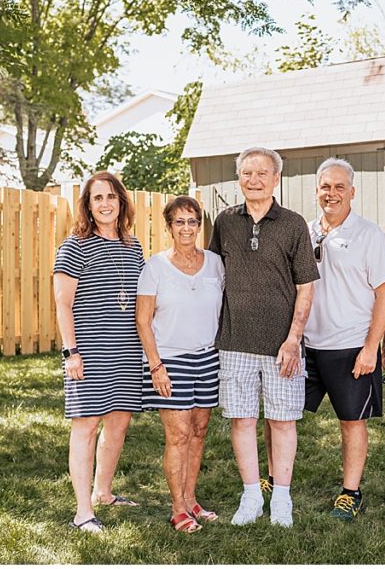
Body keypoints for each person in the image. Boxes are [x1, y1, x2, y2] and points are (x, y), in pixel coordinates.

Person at [208, 146, 319, 528]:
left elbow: (306, 287)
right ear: (239, 178)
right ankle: (252, 495)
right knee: (241, 420)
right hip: (235, 341)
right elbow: (213, 277)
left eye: (262, 173)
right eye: (246, 173)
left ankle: (282, 499)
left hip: (281, 346)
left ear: (276, 179)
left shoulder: (293, 224)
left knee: (283, 421)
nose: (253, 180)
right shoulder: (224, 222)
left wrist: (293, 339)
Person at [302, 158, 385, 520]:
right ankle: (274, 481)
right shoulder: (306, 232)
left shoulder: (368, 234)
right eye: (326, 187)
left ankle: (350, 492)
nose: (332, 193)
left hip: (351, 347)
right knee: (281, 416)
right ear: (317, 191)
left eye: (339, 187)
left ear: (352, 192)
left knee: (351, 422)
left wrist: (371, 347)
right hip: (308, 345)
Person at [53, 172, 145, 534]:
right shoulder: (74, 246)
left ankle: (103, 492)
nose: (105, 204)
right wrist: (71, 352)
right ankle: (82, 513)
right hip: (88, 351)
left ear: (121, 202)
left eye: (111, 197)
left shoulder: (132, 245)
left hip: (125, 350)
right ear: (88, 206)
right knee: (87, 427)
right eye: (97, 198)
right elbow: (63, 304)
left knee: (119, 423)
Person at [135, 196, 224, 534]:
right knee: (179, 434)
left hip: (207, 357)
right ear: (169, 226)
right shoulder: (155, 267)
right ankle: (177, 510)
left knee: (199, 432)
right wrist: (156, 366)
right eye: (179, 222)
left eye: (192, 222)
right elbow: (143, 321)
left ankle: (191, 499)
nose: (186, 228)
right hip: (169, 360)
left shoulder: (215, 263)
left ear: (199, 226)